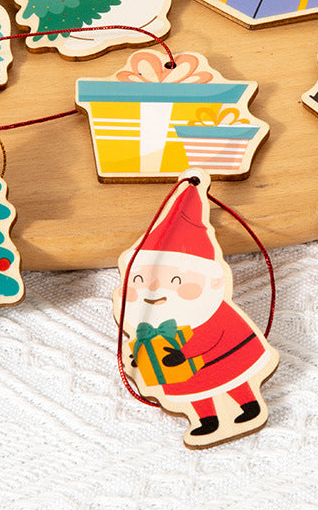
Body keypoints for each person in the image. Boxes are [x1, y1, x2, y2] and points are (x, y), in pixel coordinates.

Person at [115, 172, 278, 447]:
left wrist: (184, 353)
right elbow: (144, 342)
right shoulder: (152, 320)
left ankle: (249, 405)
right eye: (141, 280)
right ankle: (206, 420)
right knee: (195, 391)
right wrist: (138, 359)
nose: (155, 290)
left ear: (210, 281)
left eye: (175, 281)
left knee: (232, 378)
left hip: (223, 355)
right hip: (182, 366)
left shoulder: (210, 311)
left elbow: (210, 336)